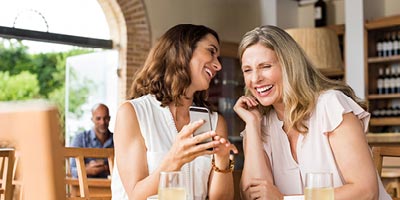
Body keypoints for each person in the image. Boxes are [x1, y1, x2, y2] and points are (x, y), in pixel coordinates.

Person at [233, 25, 391, 200]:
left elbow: (366, 192)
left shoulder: (330, 105)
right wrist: (253, 126)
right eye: (247, 70)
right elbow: (254, 195)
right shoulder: (259, 125)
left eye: (265, 66)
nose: (255, 79)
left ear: (290, 66)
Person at [111, 24, 238, 200]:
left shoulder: (215, 122)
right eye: (211, 51)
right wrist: (175, 159)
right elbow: (135, 194)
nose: (218, 65)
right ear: (182, 51)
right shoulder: (133, 113)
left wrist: (223, 160)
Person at [70, 103, 114, 178]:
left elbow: (125, 168)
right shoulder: (80, 138)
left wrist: (104, 167)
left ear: (109, 119)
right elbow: (72, 170)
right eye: (98, 118)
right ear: (92, 119)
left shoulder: (117, 139)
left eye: (105, 118)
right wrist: (87, 170)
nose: (102, 122)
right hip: (85, 187)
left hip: (110, 188)